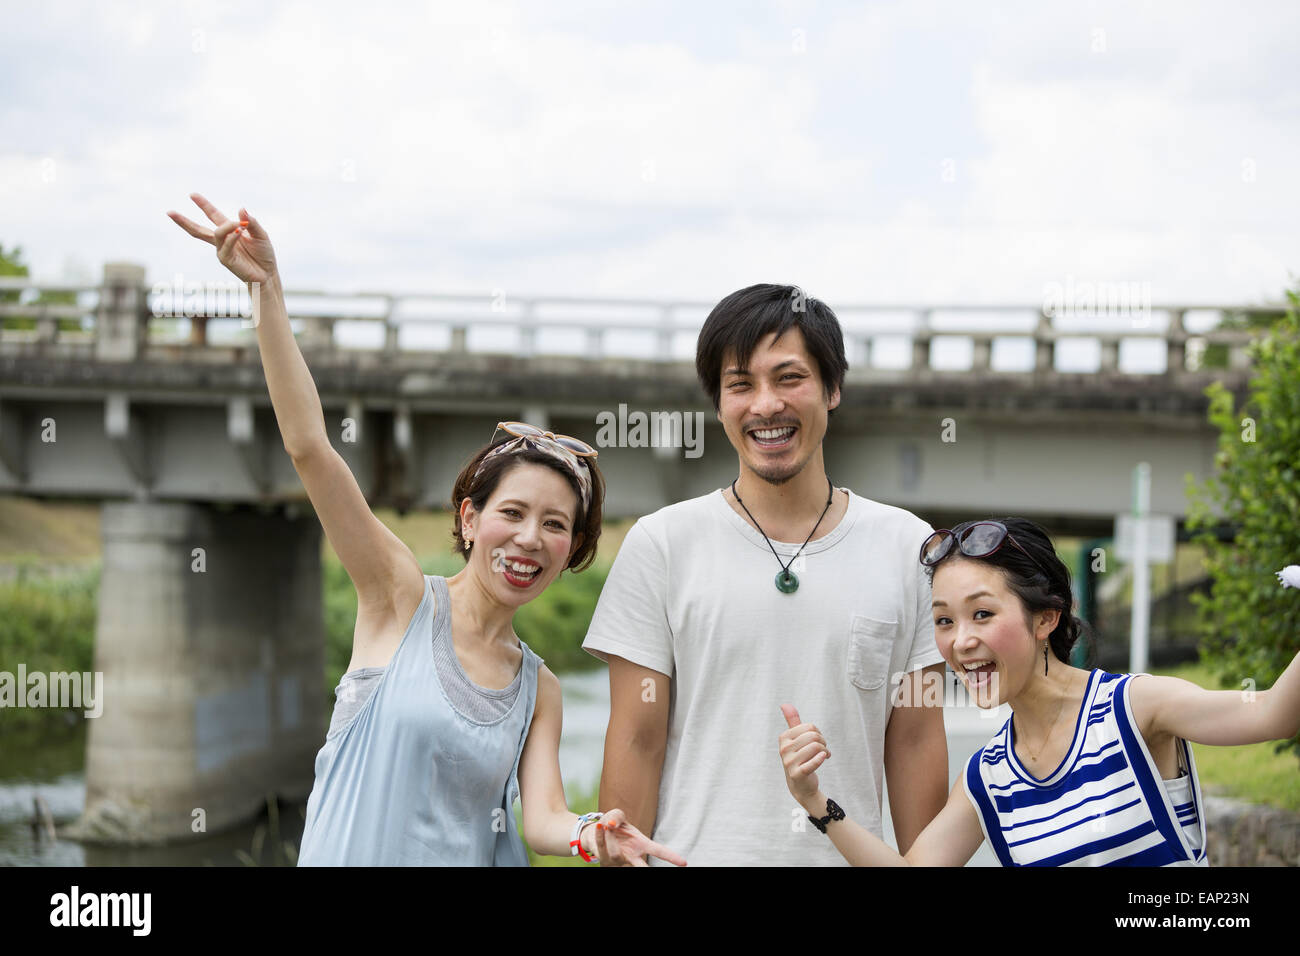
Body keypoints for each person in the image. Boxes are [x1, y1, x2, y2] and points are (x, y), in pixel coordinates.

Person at [167, 194, 685, 867]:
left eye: (556, 525)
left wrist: (592, 833)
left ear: (572, 551)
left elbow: (545, 819)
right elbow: (309, 448)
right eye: (512, 513)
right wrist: (268, 291)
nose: (530, 538)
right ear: (470, 519)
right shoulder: (400, 598)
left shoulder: (540, 688)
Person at [582, 283, 949, 865]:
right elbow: (636, 737)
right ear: (719, 402)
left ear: (832, 389)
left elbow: (915, 740)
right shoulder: (662, 544)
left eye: (789, 378)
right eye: (740, 384)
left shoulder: (910, 548)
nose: (765, 405)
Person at [780, 516, 1300, 866]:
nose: (961, 642)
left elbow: (1274, 713)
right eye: (944, 621)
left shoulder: (1135, 709)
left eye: (983, 614)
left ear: (1045, 617)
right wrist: (815, 800)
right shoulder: (988, 778)